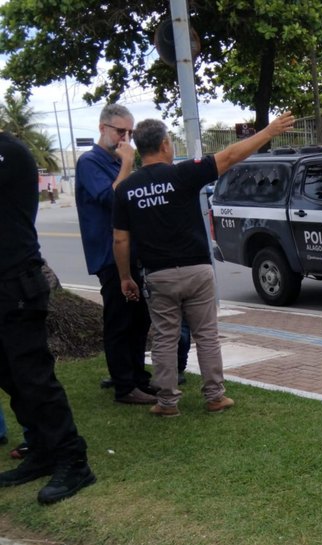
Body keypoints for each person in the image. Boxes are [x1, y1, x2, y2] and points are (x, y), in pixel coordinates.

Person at [112, 112, 295, 417]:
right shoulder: (183, 174)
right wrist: (269, 131)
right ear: (164, 144)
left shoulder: (126, 189)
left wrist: (125, 277)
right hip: (197, 270)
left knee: (165, 337)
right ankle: (214, 396)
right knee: (206, 334)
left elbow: (120, 240)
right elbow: (232, 154)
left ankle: (167, 402)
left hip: (158, 275)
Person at [0, 131, 95, 504]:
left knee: (34, 379)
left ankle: (73, 459)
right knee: (10, 377)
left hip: (16, 284)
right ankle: (40, 449)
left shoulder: (9, 152)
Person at [75, 104, 155, 405]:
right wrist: (126, 166)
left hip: (131, 253)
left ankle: (138, 378)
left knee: (139, 320)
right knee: (120, 320)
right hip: (109, 256)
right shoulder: (90, 161)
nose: (125, 139)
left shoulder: (115, 160)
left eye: (129, 133)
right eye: (120, 131)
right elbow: (113, 198)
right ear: (102, 128)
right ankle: (124, 385)